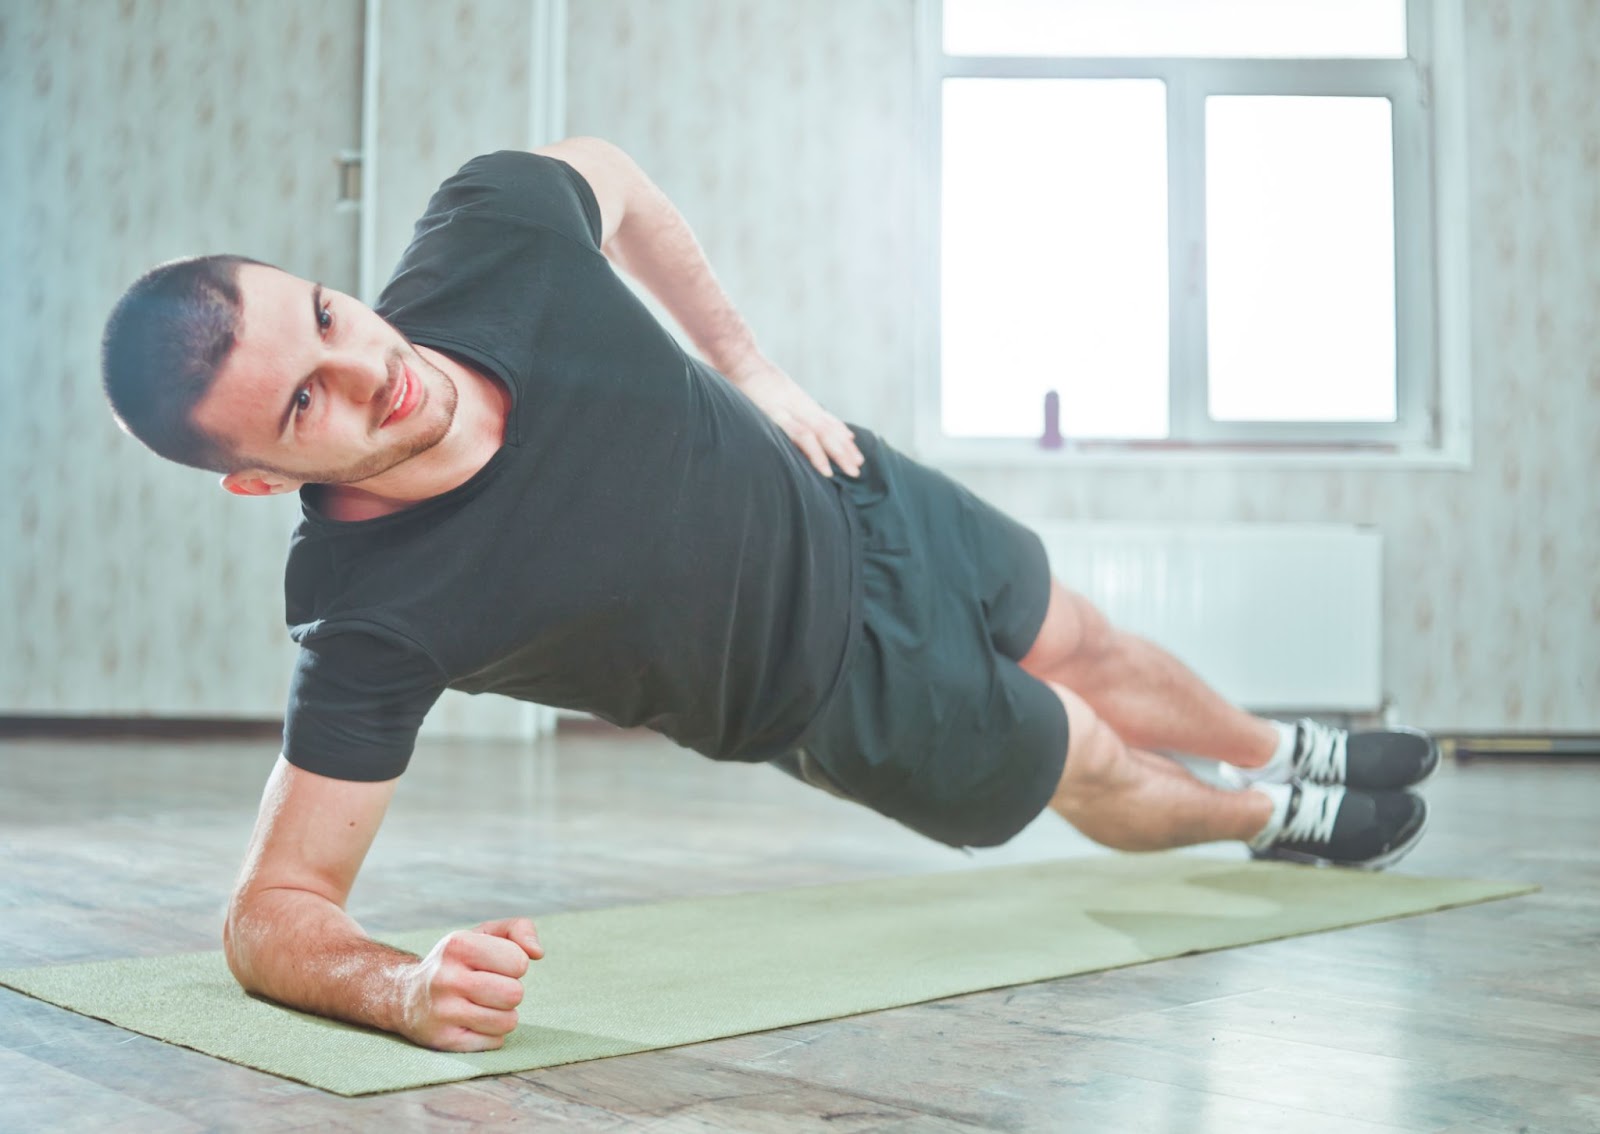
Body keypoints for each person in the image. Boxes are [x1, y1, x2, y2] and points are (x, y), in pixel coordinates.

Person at [100, 137, 1436, 1053]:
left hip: (852, 490)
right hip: (835, 694)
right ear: (255, 478)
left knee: (1082, 629)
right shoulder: (366, 614)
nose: (364, 370)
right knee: (1079, 743)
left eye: (327, 316)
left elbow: (610, 178)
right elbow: (269, 909)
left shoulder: (490, 233)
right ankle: (1275, 814)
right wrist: (399, 983)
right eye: (302, 402)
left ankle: (1282, 740)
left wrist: (755, 370)